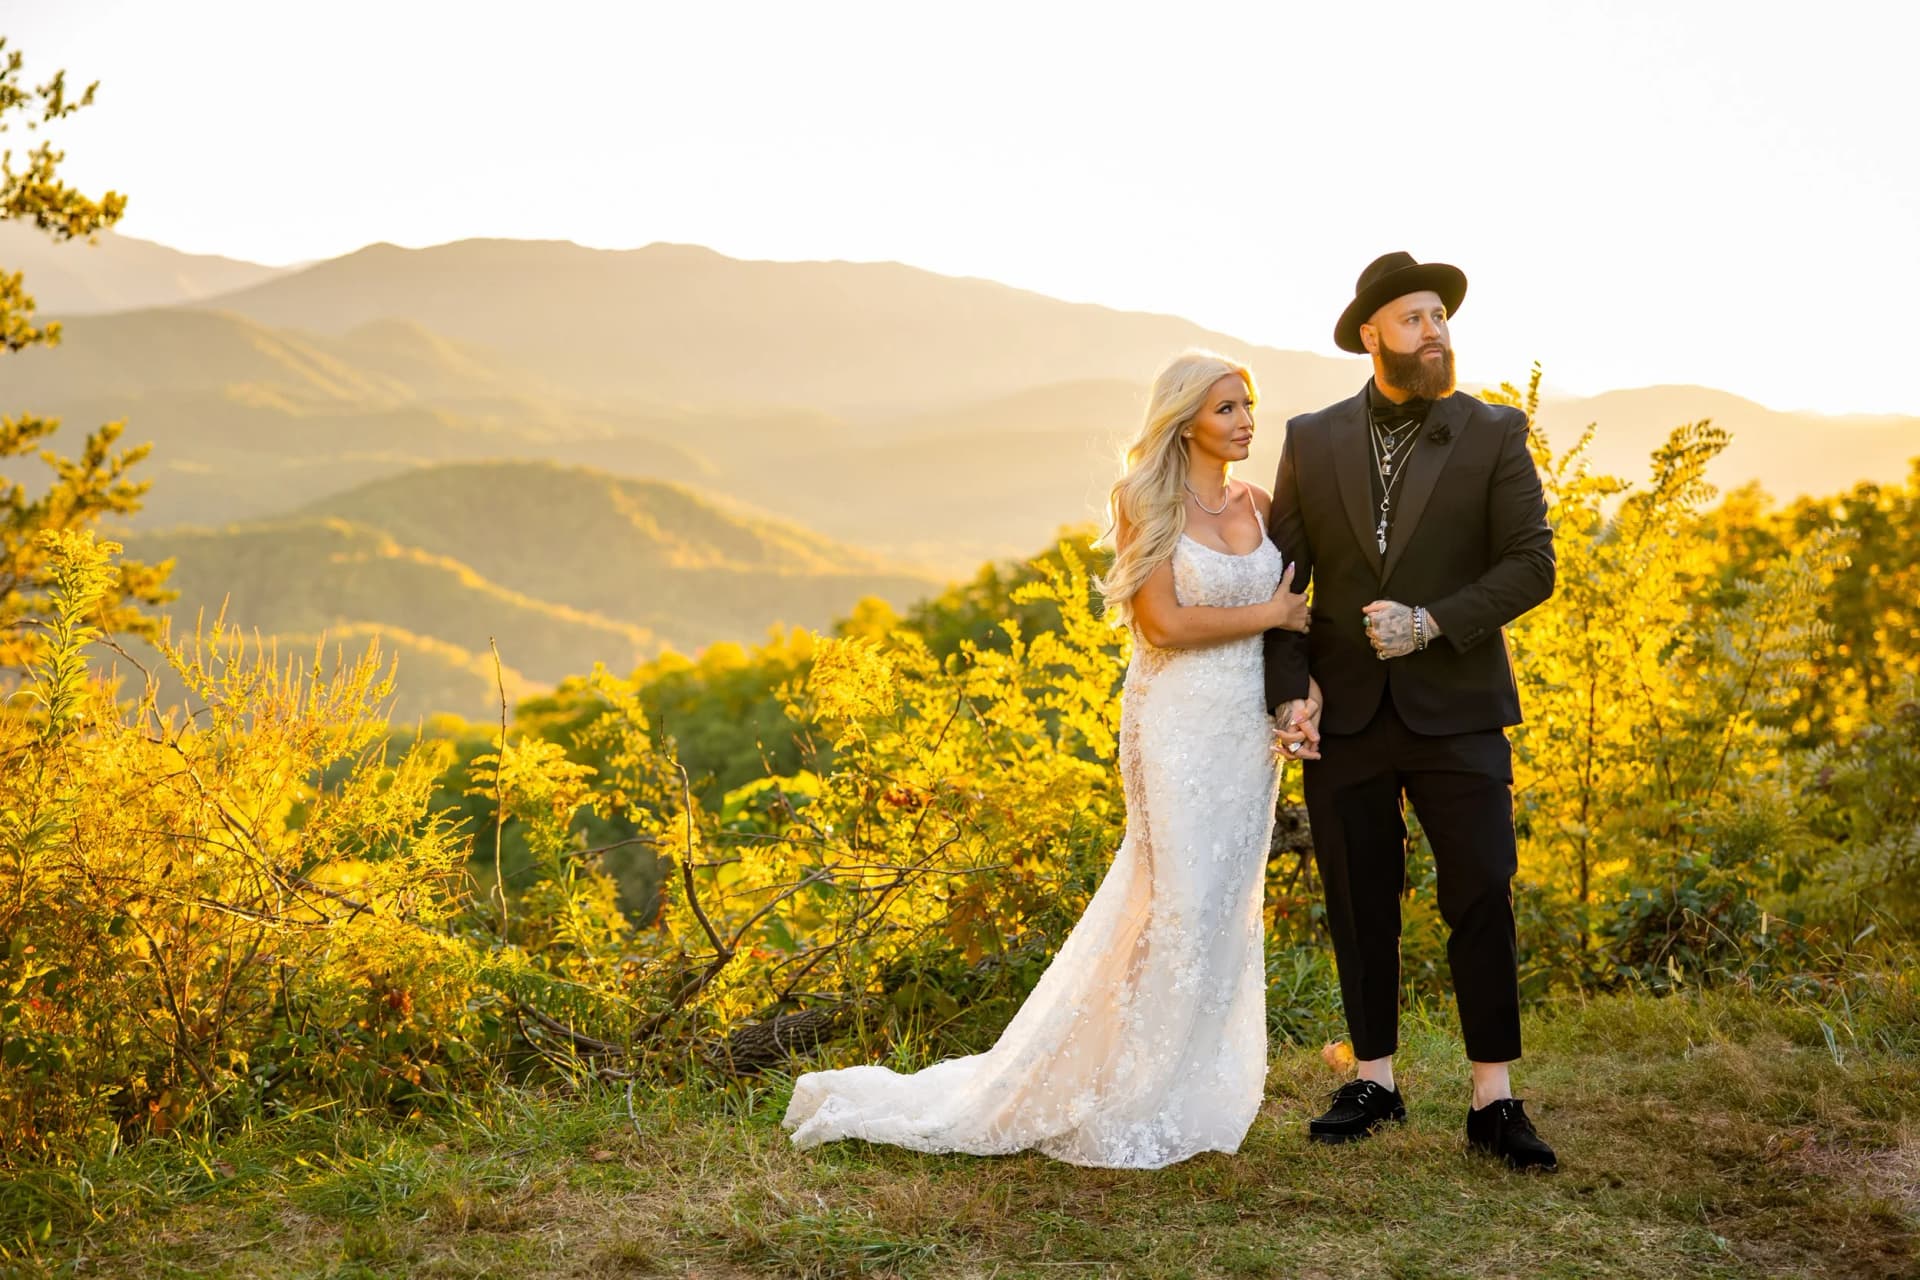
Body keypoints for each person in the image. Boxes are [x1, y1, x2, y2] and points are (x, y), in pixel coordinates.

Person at [782, 350, 1315, 1167]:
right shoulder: (1144, 499)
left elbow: (1293, 626)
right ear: (1184, 421)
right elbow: (1162, 625)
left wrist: (1298, 698)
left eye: (1248, 405)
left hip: (1245, 735)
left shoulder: (1261, 503)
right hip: (1175, 724)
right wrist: (1273, 612)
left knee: (1220, 910)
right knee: (1172, 903)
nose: (1245, 422)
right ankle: (1121, 1089)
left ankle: (1191, 1092)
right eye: (1226, 410)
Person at [1265, 252, 1560, 1171]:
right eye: (1415, 319)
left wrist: (1433, 623)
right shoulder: (1310, 438)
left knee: (1480, 889)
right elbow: (1278, 584)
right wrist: (1288, 690)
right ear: (1371, 335)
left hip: (1461, 707)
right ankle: (1375, 1080)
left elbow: (1532, 563)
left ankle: (1493, 1100)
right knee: (1357, 900)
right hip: (1344, 714)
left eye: (1442, 316)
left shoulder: (1494, 432)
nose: (1436, 330)